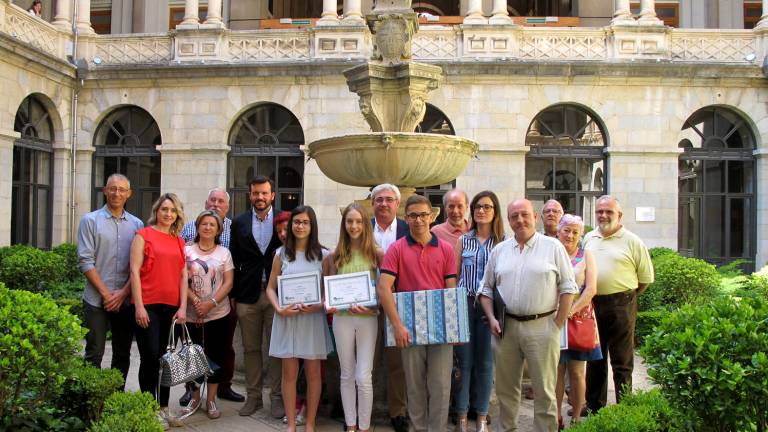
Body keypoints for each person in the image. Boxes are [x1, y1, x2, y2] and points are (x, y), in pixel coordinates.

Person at [478, 199, 577, 432]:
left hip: (543, 327)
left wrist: (558, 323)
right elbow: (485, 290)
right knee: (506, 389)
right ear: (509, 220)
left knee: (544, 390)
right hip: (506, 328)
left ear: (534, 216)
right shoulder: (499, 250)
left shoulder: (553, 248)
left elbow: (568, 287)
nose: (520, 220)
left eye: (524, 214)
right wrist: (492, 319)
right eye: (514, 216)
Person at [378, 194, 457, 432]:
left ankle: (437, 429)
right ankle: (418, 428)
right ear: (406, 218)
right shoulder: (396, 249)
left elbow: (450, 291)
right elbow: (383, 288)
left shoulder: (446, 249)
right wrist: (397, 326)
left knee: (441, 385)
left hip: (440, 327)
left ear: (432, 217)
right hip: (408, 328)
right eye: (413, 215)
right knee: (413, 385)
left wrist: (452, 327)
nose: (419, 220)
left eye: (423, 215)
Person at [583, 195, 654, 413]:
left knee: (622, 360)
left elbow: (645, 279)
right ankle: (594, 405)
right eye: (599, 212)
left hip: (621, 304)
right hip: (593, 303)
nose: (603, 215)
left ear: (619, 215)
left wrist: (625, 295)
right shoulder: (588, 238)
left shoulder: (632, 241)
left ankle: (625, 406)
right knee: (595, 357)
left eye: (609, 212)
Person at [266, 206, 332, 432]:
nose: (300, 226)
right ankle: (292, 423)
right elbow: (270, 289)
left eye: (305, 222)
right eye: (296, 222)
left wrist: (319, 305)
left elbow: (329, 292)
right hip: (287, 319)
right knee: (289, 374)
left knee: (314, 374)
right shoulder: (281, 254)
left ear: (312, 226)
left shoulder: (324, 255)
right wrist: (279, 309)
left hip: (312, 320)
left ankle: (310, 423)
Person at [179, 188, 244, 405]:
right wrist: (196, 301)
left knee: (223, 348)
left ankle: (222, 387)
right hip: (190, 305)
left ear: (227, 206)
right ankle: (192, 391)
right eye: (212, 200)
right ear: (206, 202)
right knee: (192, 350)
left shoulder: (236, 229)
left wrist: (212, 302)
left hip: (222, 303)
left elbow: (231, 275)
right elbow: (179, 270)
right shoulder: (188, 230)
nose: (216, 204)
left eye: (221, 201)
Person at [323, 203, 384, 432]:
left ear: (365, 224)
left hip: (368, 319)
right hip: (342, 319)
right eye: (350, 221)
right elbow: (326, 292)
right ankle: (350, 425)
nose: (354, 226)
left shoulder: (377, 255)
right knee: (346, 373)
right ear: (344, 224)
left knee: (363, 375)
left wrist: (373, 307)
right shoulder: (334, 256)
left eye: (359, 221)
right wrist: (328, 304)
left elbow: (385, 291)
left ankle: (365, 426)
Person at [78, 174, 143, 386]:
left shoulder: (136, 225)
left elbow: (138, 266)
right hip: (96, 299)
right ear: (105, 191)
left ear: (129, 194)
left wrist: (123, 293)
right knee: (94, 353)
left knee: (122, 354)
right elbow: (86, 261)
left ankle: (115, 398)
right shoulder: (90, 221)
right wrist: (107, 294)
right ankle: (91, 401)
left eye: (122, 189)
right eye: (113, 188)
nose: (117, 193)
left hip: (124, 301)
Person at [129, 193, 188, 428]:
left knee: (166, 359)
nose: (168, 214)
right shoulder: (143, 235)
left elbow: (184, 275)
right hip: (148, 306)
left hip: (172, 307)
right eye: (164, 209)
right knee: (150, 356)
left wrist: (183, 306)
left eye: (173, 210)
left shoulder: (178, 241)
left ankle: (164, 408)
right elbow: (134, 271)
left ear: (177, 215)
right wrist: (139, 306)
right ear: (157, 211)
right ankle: (148, 407)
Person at [230, 176, 284, 417]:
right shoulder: (239, 223)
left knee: (276, 349)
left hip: (278, 296)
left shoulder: (285, 220)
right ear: (249, 195)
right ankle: (253, 397)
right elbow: (233, 259)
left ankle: (277, 398)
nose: (259, 197)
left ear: (272, 195)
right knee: (251, 349)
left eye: (264, 193)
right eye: (255, 193)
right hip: (247, 295)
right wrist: (232, 296)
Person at [453, 191, 505, 432]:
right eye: (477, 207)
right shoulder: (464, 240)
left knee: (485, 363)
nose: (481, 210)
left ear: (495, 211)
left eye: (487, 206)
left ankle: (482, 414)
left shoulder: (503, 242)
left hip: (490, 309)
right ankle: (462, 413)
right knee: (463, 362)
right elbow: (454, 275)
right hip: (465, 304)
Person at [555, 214, 601, 429]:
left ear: (580, 234)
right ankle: (555, 416)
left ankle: (576, 417)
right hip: (553, 318)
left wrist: (570, 311)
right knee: (556, 370)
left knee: (577, 371)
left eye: (575, 232)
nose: (570, 235)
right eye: (567, 230)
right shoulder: (551, 250)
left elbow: (591, 289)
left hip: (578, 318)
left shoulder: (586, 255)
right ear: (558, 230)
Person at [369, 183, 409, 432]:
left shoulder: (407, 229)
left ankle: (398, 412)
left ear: (397, 203)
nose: (383, 204)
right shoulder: (361, 228)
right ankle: (363, 412)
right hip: (367, 303)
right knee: (366, 361)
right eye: (378, 199)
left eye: (388, 199)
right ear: (372, 204)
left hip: (397, 303)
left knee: (398, 363)